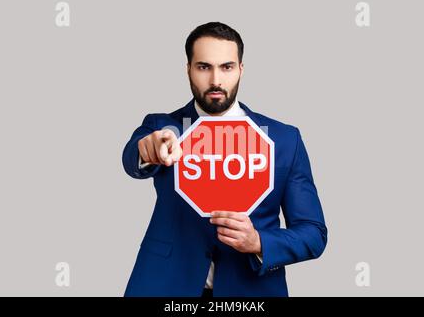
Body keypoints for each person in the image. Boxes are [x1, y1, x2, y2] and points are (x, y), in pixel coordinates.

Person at [122, 22, 327, 297]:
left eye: (227, 67)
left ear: (241, 69)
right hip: (165, 286)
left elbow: (313, 234)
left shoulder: (284, 139)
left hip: (251, 292)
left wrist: (259, 242)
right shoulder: (163, 126)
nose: (216, 80)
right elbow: (133, 156)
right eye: (204, 67)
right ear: (188, 69)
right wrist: (148, 150)